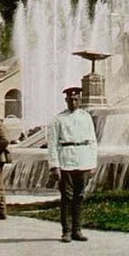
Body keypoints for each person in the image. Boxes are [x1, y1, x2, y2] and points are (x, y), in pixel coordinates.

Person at [47, 86, 98, 243]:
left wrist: (93, 163)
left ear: (80, 100)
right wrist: (55, 166)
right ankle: (67, 231)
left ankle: (77, 230)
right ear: (66, 100)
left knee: (80, 196)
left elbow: (92, 141)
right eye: (70, 100)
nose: (73, 103)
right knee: (67, 197)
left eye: (76, 99)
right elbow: (52, 144)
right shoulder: (59, 119)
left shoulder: (86, 117)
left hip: (83, 160)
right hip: (66, 161)